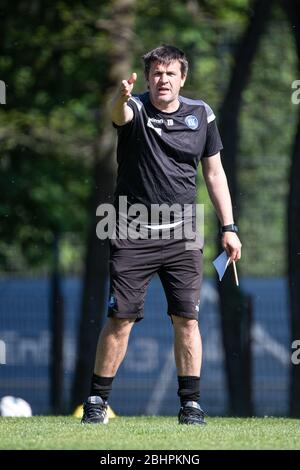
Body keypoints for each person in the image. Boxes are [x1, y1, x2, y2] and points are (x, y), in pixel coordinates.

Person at [81, 45, 242, 425]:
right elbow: (117, 115)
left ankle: (191, 405)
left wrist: (229, 227)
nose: (162, 80)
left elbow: (215, 174)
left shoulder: (201, 115)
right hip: (131, 229)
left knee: (187, 319)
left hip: (183, 233)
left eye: (170, 73)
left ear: (182, 78)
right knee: (121, 317)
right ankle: (97, 402)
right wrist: (118, 97)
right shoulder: (134, 108)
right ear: (148, 78)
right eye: (156, 73)